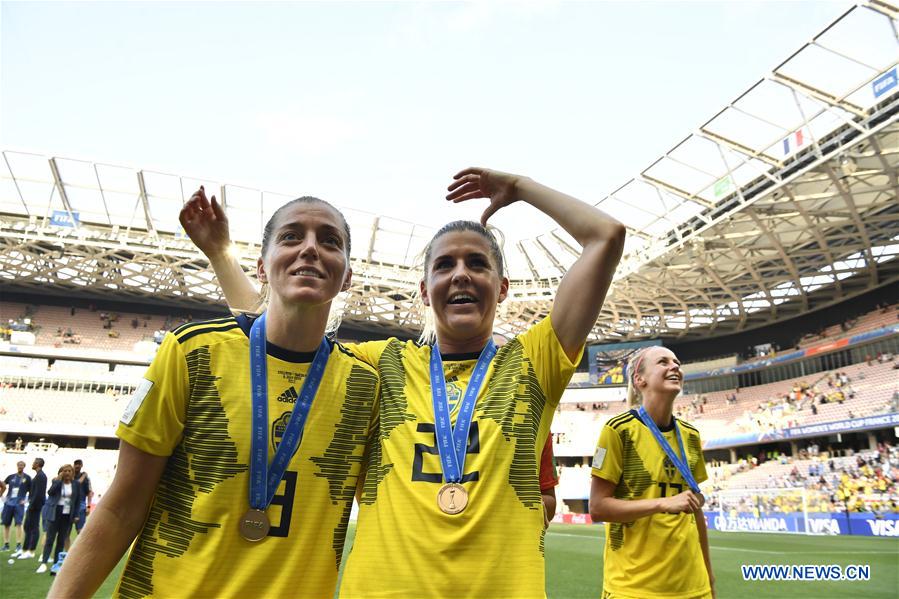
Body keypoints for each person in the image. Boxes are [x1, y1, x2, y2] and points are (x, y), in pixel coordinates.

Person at [185, 167, 625, 597]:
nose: (460, 274)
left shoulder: (535, 363)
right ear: (424, 289)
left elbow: (606, 235)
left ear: (503, 286)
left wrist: (521, 187)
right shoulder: (380, 363)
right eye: (444, 265)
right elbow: (277, 331)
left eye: (477, 264)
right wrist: (222, 255)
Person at [49, 192, 379, 598]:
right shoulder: (192, 351)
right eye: (292, 237)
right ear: (261, 267)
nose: (310, 248)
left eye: (330, 241)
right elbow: (121, 508)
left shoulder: (366, 383)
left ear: (347, 275)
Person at [589, 346, 715, 599]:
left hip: (693, 587)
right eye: (663, 362)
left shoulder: (690, 435)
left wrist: (709, 579)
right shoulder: (618, 430)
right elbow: (598, 508)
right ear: (640, 379)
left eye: (677, 362)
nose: (675, 366)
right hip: (634, 588)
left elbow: (695, 510)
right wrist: (662, 504)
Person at [38, 464, 82, 573]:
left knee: (61, 540)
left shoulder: (76, 484)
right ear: (61, 472)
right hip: (55, 513)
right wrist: (58, 480)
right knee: (50, 539)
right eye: (65, 471)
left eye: (69, 471)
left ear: (72, 473)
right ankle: (44, 562)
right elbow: (50, 492)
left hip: (67, 515)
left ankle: (56, 564)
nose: (67, 473)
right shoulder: (57, 482)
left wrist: (76, 515)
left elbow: (77, 501)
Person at [18, 457, 47, 560]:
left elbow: (39, 493)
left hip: (35, 506)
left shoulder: (41, 476)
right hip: (33, 505)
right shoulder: (38, 476)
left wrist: (32, 505)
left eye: (34, 462)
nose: (32, 464)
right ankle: (25, 549)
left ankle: (31, 550)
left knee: (33, 528)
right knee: (27, 526)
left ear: (38, 464)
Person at [1, 460, 31, 555]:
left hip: (19, 504)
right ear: (17, 466)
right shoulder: (11, 477)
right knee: (6, 524)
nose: (20, 466)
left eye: (22, 465)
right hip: (9, 503)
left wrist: (26, 501)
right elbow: (3, 485)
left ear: (24, 466)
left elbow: (32, 491)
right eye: (19, 465)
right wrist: (2, 495)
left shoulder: (27, 478)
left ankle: (18, 544)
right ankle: (6, 544)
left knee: (19, 524)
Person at [65, 459, 93, 549]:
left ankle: (80, 550)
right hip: (68, 504)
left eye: (79, 464)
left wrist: (88, 506)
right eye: (76, 464)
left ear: (81, 465)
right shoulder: (70, 477)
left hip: (81, 505)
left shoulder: (86, 479)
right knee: (66, 532)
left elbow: (89, 493)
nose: (77, 466)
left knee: (80, 531)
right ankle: (66, 553)